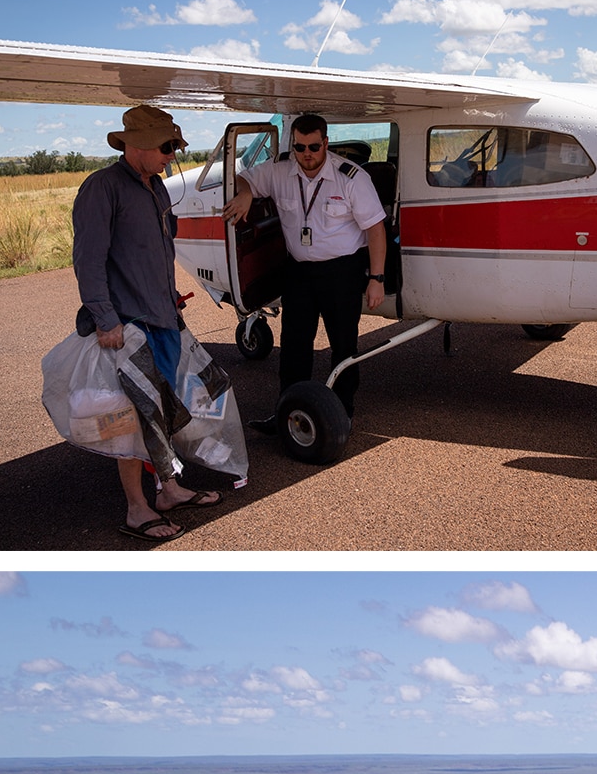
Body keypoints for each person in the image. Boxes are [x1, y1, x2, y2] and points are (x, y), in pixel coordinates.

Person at [73, 102, 223, 542]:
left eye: (174, 146)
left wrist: (170, 298)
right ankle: (137, 509)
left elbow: (155, 253)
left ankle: (168, 490)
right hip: (127, 328)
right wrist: (105, 319)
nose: (171, 155)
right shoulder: (102, 189)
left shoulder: (156, 188)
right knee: (129, 418)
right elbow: (88, 261)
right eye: (165, 146)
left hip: (163, 319)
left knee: (160, 409)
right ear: (135, 146)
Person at [220, 113, 388, 425]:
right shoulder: (279, 171)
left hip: (342, 272)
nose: (306, 154)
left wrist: (376, 278)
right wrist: (244, 193)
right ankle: (290, 411)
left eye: (313, 146)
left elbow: (375, 228)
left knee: (344, 345)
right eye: (299, 147)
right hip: (299, 272)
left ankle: (340, 414)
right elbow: (243, 177)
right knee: (295, 345)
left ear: (325, 143)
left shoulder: (351, 178)